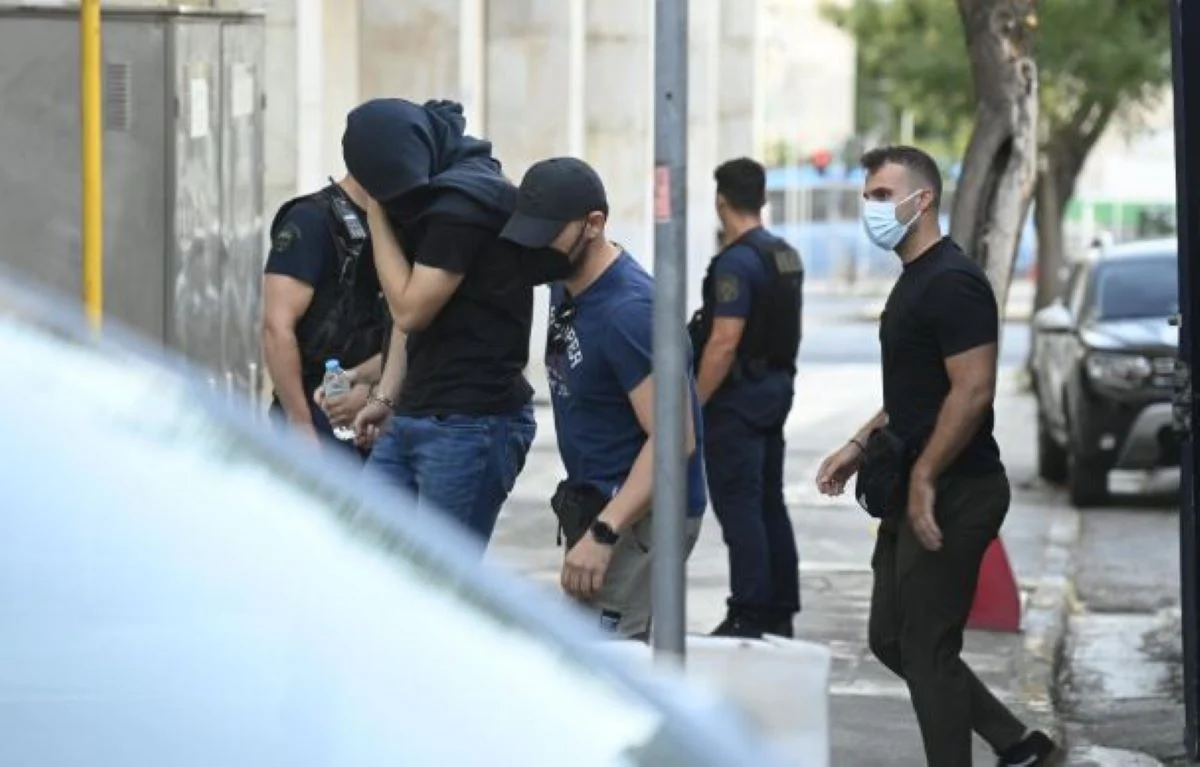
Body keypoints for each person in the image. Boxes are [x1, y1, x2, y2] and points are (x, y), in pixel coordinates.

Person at [814, 145, 1061, 767]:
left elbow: (973, 390)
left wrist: (925, 475)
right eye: (867, 197)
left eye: (881, 195)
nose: (871, 208)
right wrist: (858, 445)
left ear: (921, 200)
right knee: (890, 638)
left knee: (926, 647)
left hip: (956, 491)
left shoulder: (953, 281)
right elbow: (917, 394)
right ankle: (1019, 745)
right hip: (912, 487)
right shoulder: (915, 280)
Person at [500, 157, 707, 640]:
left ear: (594, 224)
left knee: (608, 658)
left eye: (547, 235)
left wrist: (605, 531)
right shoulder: (568, 281)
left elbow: (673, 439)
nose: (536, 249)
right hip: (600, 501)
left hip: (640, 515)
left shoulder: (630, 312)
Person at [343, 98, 537, 546]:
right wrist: (386, 397)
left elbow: (411, 309)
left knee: (438, 578)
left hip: (469, 424)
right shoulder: (430, 195)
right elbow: (403, 319)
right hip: (415, 413)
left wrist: (376, 213)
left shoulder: (462, 204)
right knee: (362, 556)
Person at [689, 158, 804, 639]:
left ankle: (749, 612)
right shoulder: (785, 255)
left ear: (721, 202)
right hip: (774, 392)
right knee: (769, 502)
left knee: (740, 508)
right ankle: (779, 608)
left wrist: (693, 405)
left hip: (736, 401)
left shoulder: (735, 262)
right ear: (763, 198)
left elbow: (723, 343)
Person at [261, 174, 386, 458]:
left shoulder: (397, 220)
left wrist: (377, 396)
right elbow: (276, 329)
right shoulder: (311, 220)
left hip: (373, 415)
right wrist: (300, 425)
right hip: (317, 410)